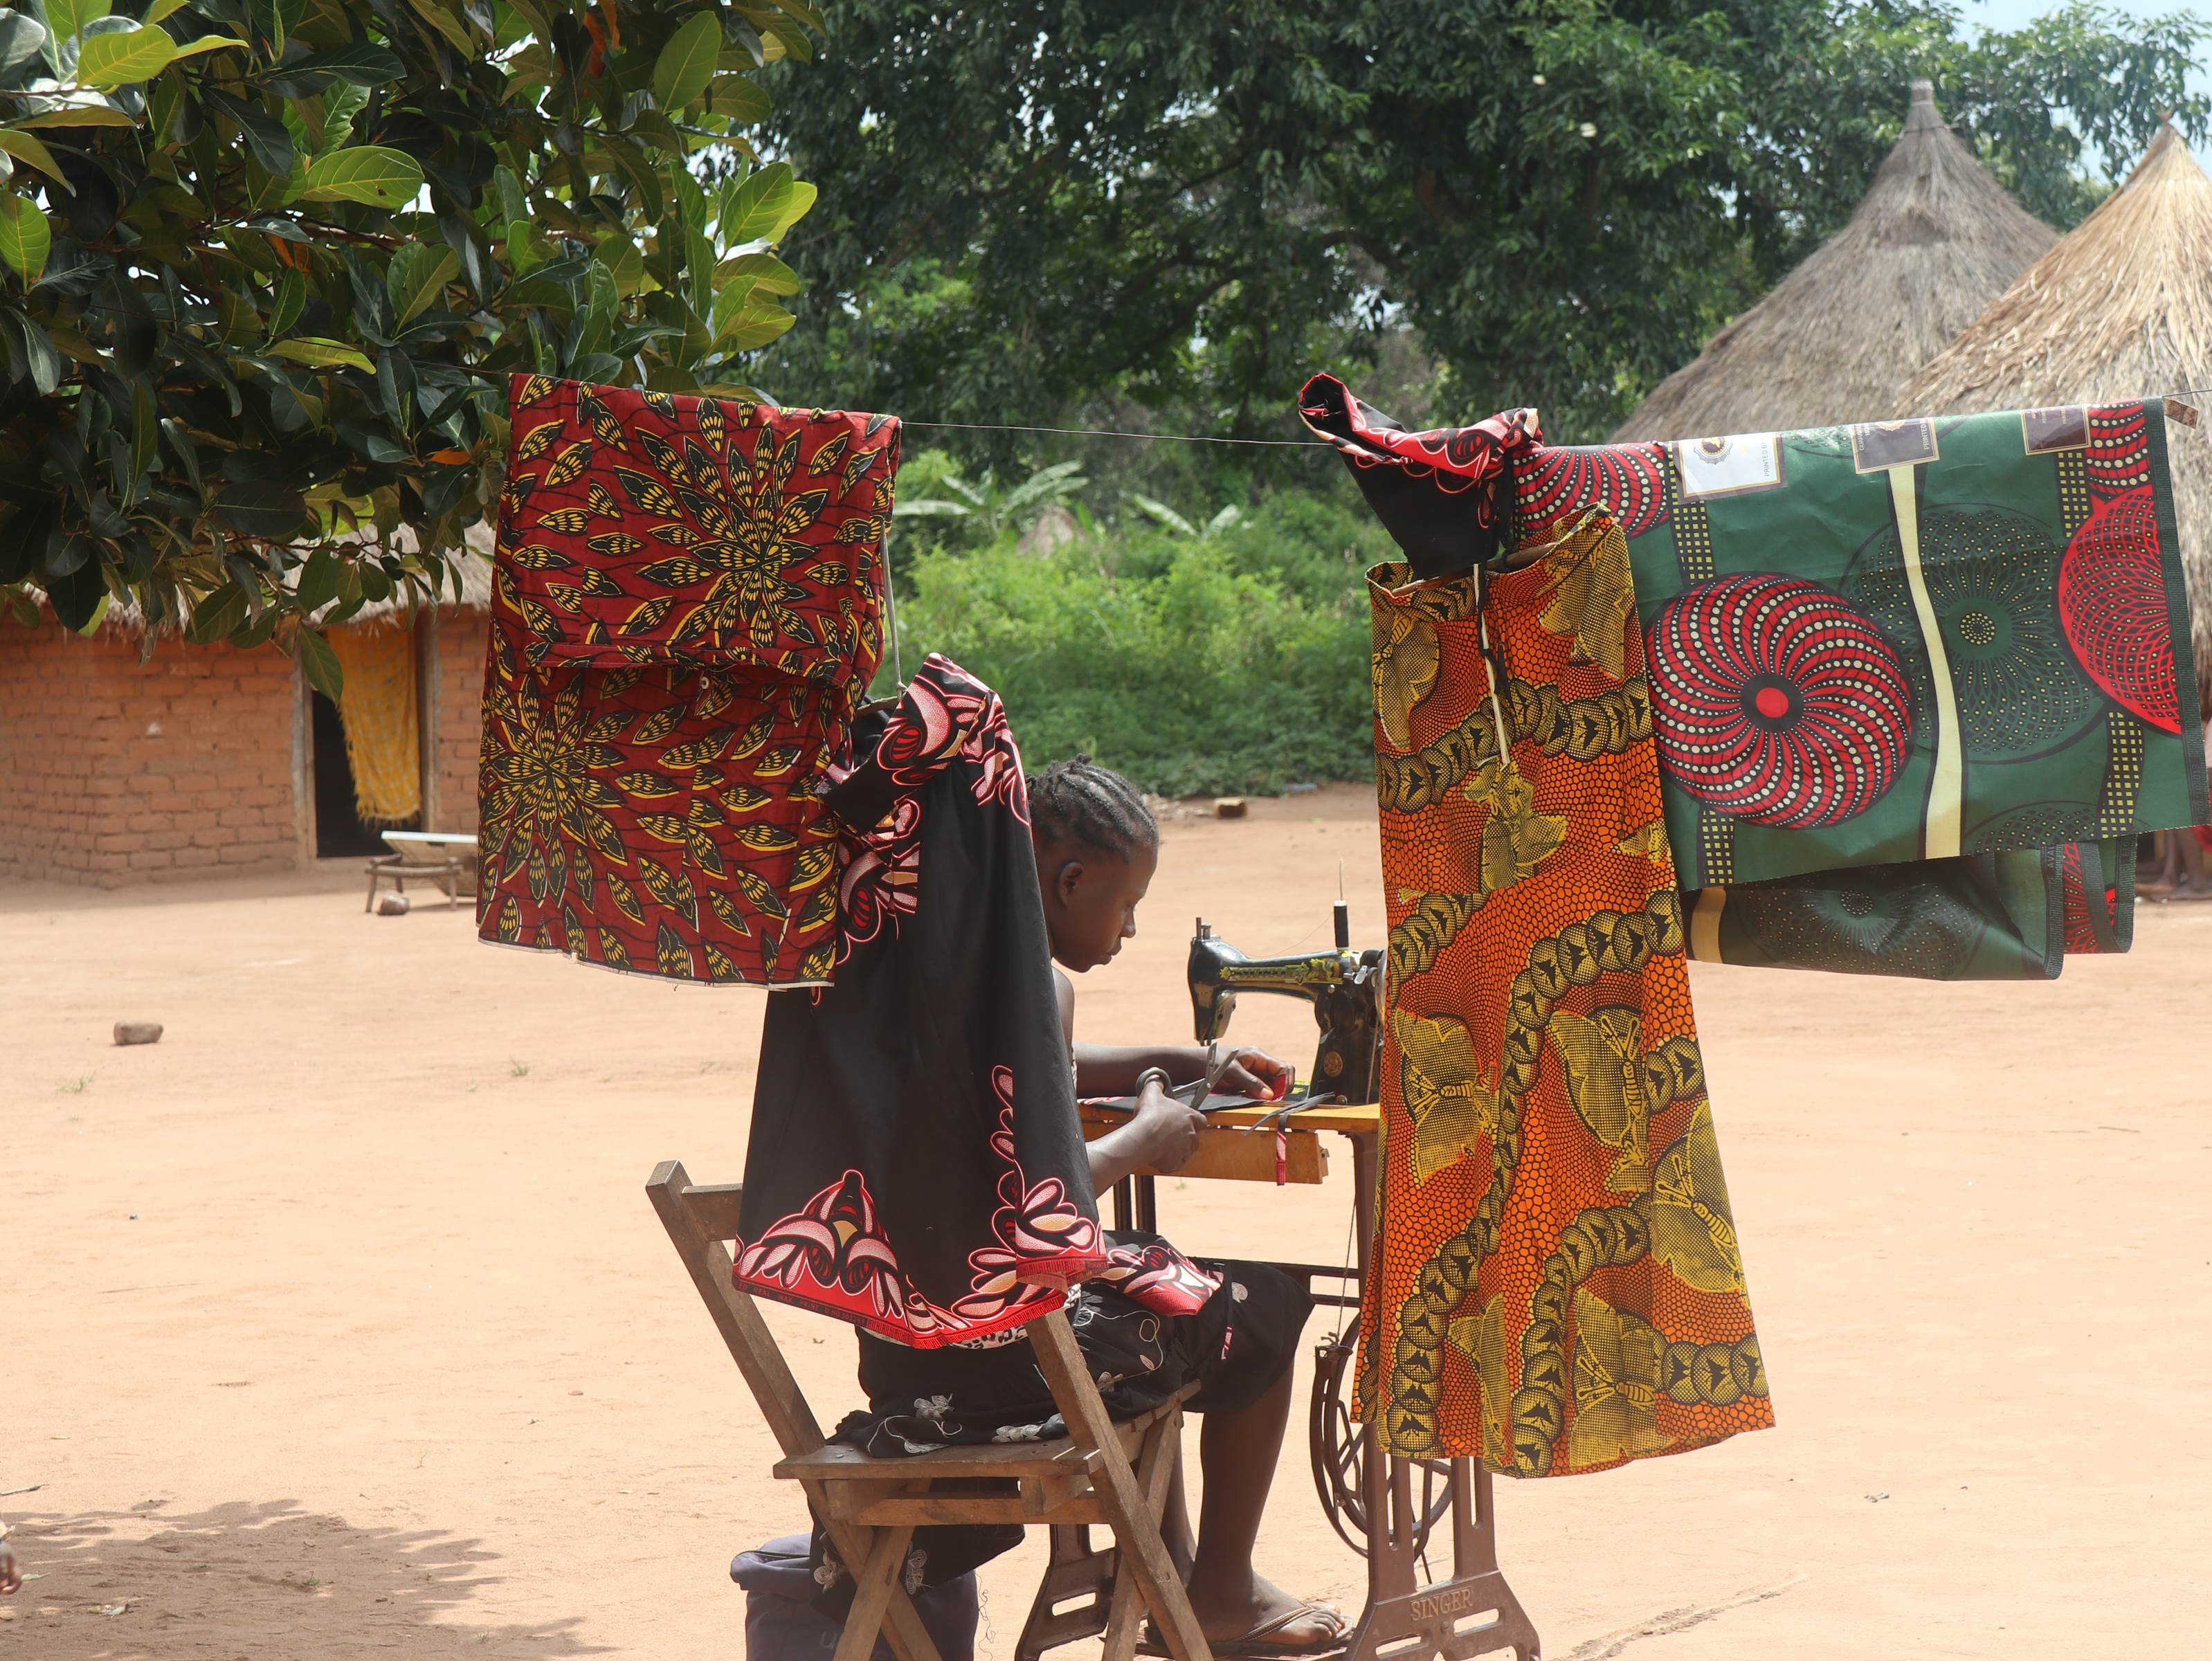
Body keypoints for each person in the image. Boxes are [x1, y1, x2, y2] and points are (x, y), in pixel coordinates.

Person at [839, 757, 1344, 1658]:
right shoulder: (1040, 983)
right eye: (1125, 903)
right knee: (1260, 1303)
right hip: (1012, 1383)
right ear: (1068, 882)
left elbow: (1043, 1070)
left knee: (1153, 1264)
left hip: (906, 1364)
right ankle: (1220, 1591)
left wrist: (1187, 1063)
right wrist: (1141, 1143)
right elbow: (1031, 1212)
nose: (1132, 926)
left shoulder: (931, 967)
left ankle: (1174, 1567)